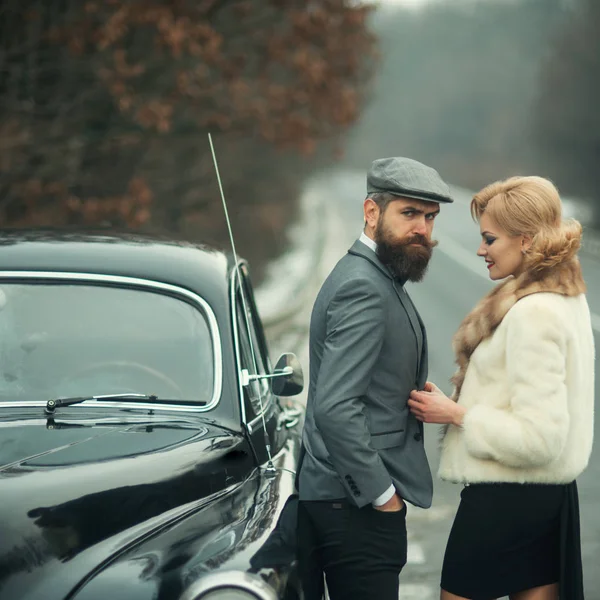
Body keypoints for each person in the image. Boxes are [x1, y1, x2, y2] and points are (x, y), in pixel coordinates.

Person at [408, 176, 594, 600]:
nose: (480, 250)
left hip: (508, 498)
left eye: (490, 239)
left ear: (525, 240)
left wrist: (457, 414)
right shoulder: (564, 298)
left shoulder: (534, 314)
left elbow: (541, 438)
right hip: (545, 498)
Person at [296, 157, 453, 600]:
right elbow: (334, 405)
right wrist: (382, 495)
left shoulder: (380, 276)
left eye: (430, 217)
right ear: (371, 212)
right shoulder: (362, 285)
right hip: (354, 506)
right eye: (409, 213)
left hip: (350, 503)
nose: (422, 228)